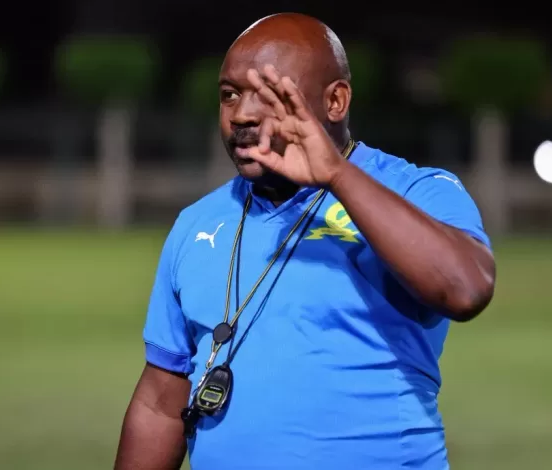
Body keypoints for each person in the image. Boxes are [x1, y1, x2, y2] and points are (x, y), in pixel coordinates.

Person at [114, 12, 496, 470]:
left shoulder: (414, 191)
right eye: (229, 95)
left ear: (335, 101)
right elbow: (160, 402)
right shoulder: (198, 224)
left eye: (270, 94)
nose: (242, 114)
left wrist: (335, 174)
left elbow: (466, 288)